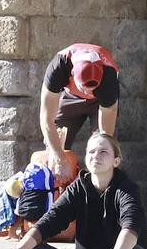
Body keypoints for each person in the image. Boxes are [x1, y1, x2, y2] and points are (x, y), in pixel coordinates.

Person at [0, 132, 147, 249]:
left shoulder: (127, 188)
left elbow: (131, 226)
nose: (96, 156)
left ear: (116, 161)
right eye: (91, 152)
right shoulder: (78, 188)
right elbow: (48, 223)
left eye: (103, 152)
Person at [39, 43, 120, 181]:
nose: (88, 91)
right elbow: (47, 120)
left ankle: (100, 193)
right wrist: (59, 156)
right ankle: (57, 194)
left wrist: (98, 166)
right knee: (55, 148)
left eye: (93, 86)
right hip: (70, 97)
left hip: (100, 102)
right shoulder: (59, 66)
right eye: (85, 86)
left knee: (104, 153)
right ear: (72, 74)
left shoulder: (108, 77)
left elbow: (105, 136)